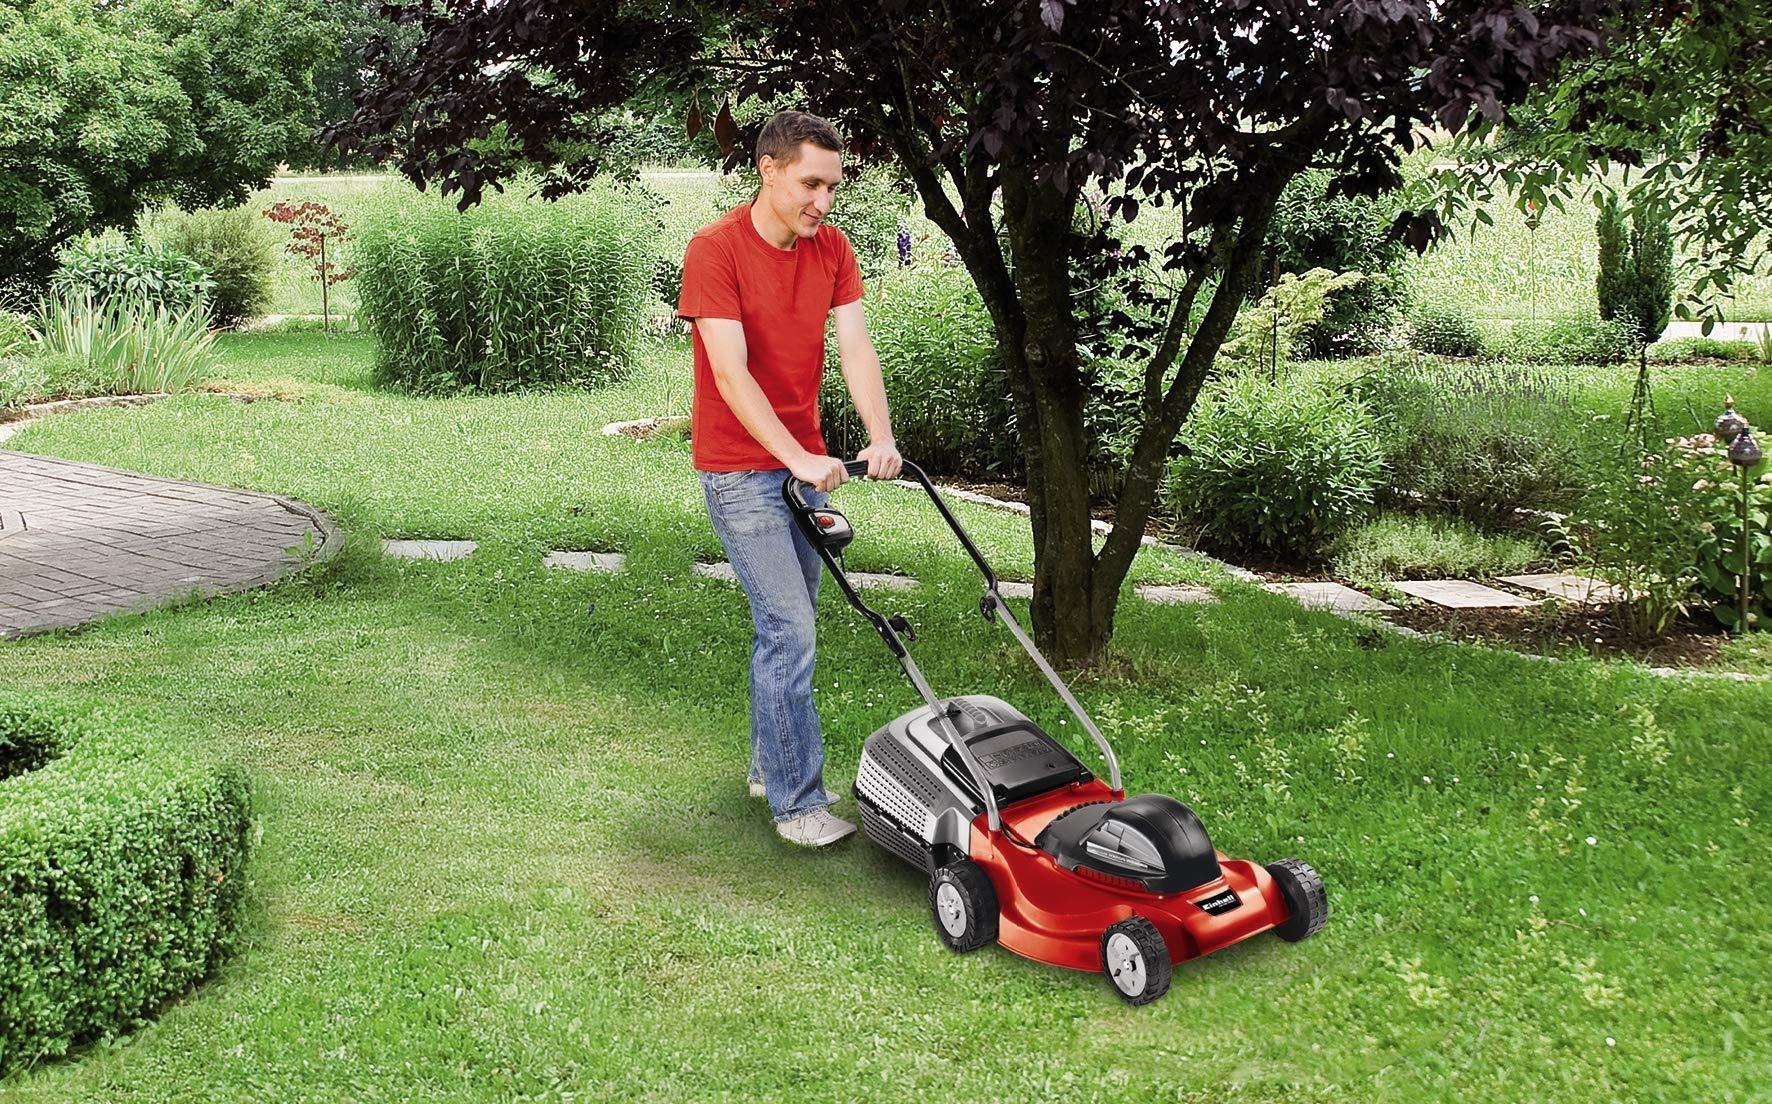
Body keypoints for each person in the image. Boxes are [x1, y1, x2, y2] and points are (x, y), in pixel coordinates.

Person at [677, 110, 902, 848]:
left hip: (804, 469)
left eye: (833, 187)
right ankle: (798, 805)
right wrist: (797, 458)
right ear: (768, 169)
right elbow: (730, 373)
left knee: (789, 624)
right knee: (790, 628)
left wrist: (879, 436)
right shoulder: (715, 250)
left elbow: (856, 347)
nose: (823, 202)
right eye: (811, 184)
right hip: (740, 470)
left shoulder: (830, 247)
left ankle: (768, 768)